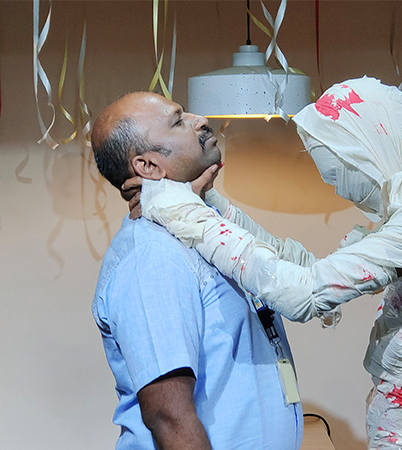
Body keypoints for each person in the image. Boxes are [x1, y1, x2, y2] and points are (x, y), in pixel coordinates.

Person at [135, 77, 402, 450]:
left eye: (337, 172)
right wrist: (212, 206)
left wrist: (186, 214)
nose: (335, 187)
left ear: (370, 146)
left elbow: (305, 293)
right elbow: (311, 268)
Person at [90, 92, 303, 450]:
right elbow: (169, 417)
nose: (200, 120)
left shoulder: (203, 231)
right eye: (178, 121)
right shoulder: (153, 256)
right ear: (148, 167)